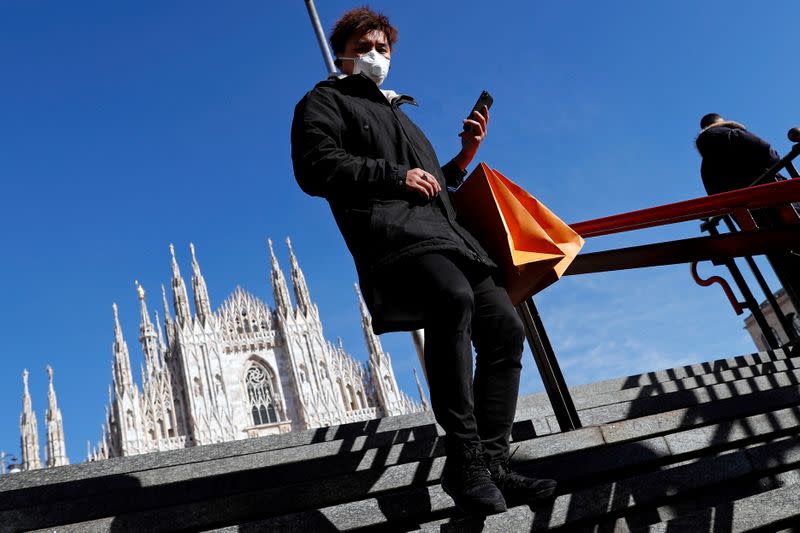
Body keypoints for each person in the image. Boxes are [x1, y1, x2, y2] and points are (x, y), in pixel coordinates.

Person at [291, 7, 556, 515]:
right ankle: (465, 458)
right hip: (396, 238)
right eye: (365, 47)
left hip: (453, 238)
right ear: (343, 52)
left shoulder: (401, 114)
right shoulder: (324, 101)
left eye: (383, 49)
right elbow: (315, 165)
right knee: (450, 301)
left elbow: (437, 192)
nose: (375, 56)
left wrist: (462, 158)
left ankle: (491, 462)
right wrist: (395, 178)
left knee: (504, 330)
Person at [696, 113, 800, 314]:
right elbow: (769, 153)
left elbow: (716, 198)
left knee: (785, 264)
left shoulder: (705, 165)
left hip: (753, 221)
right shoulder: (734, 134)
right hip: (780, 201)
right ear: (721, 122)